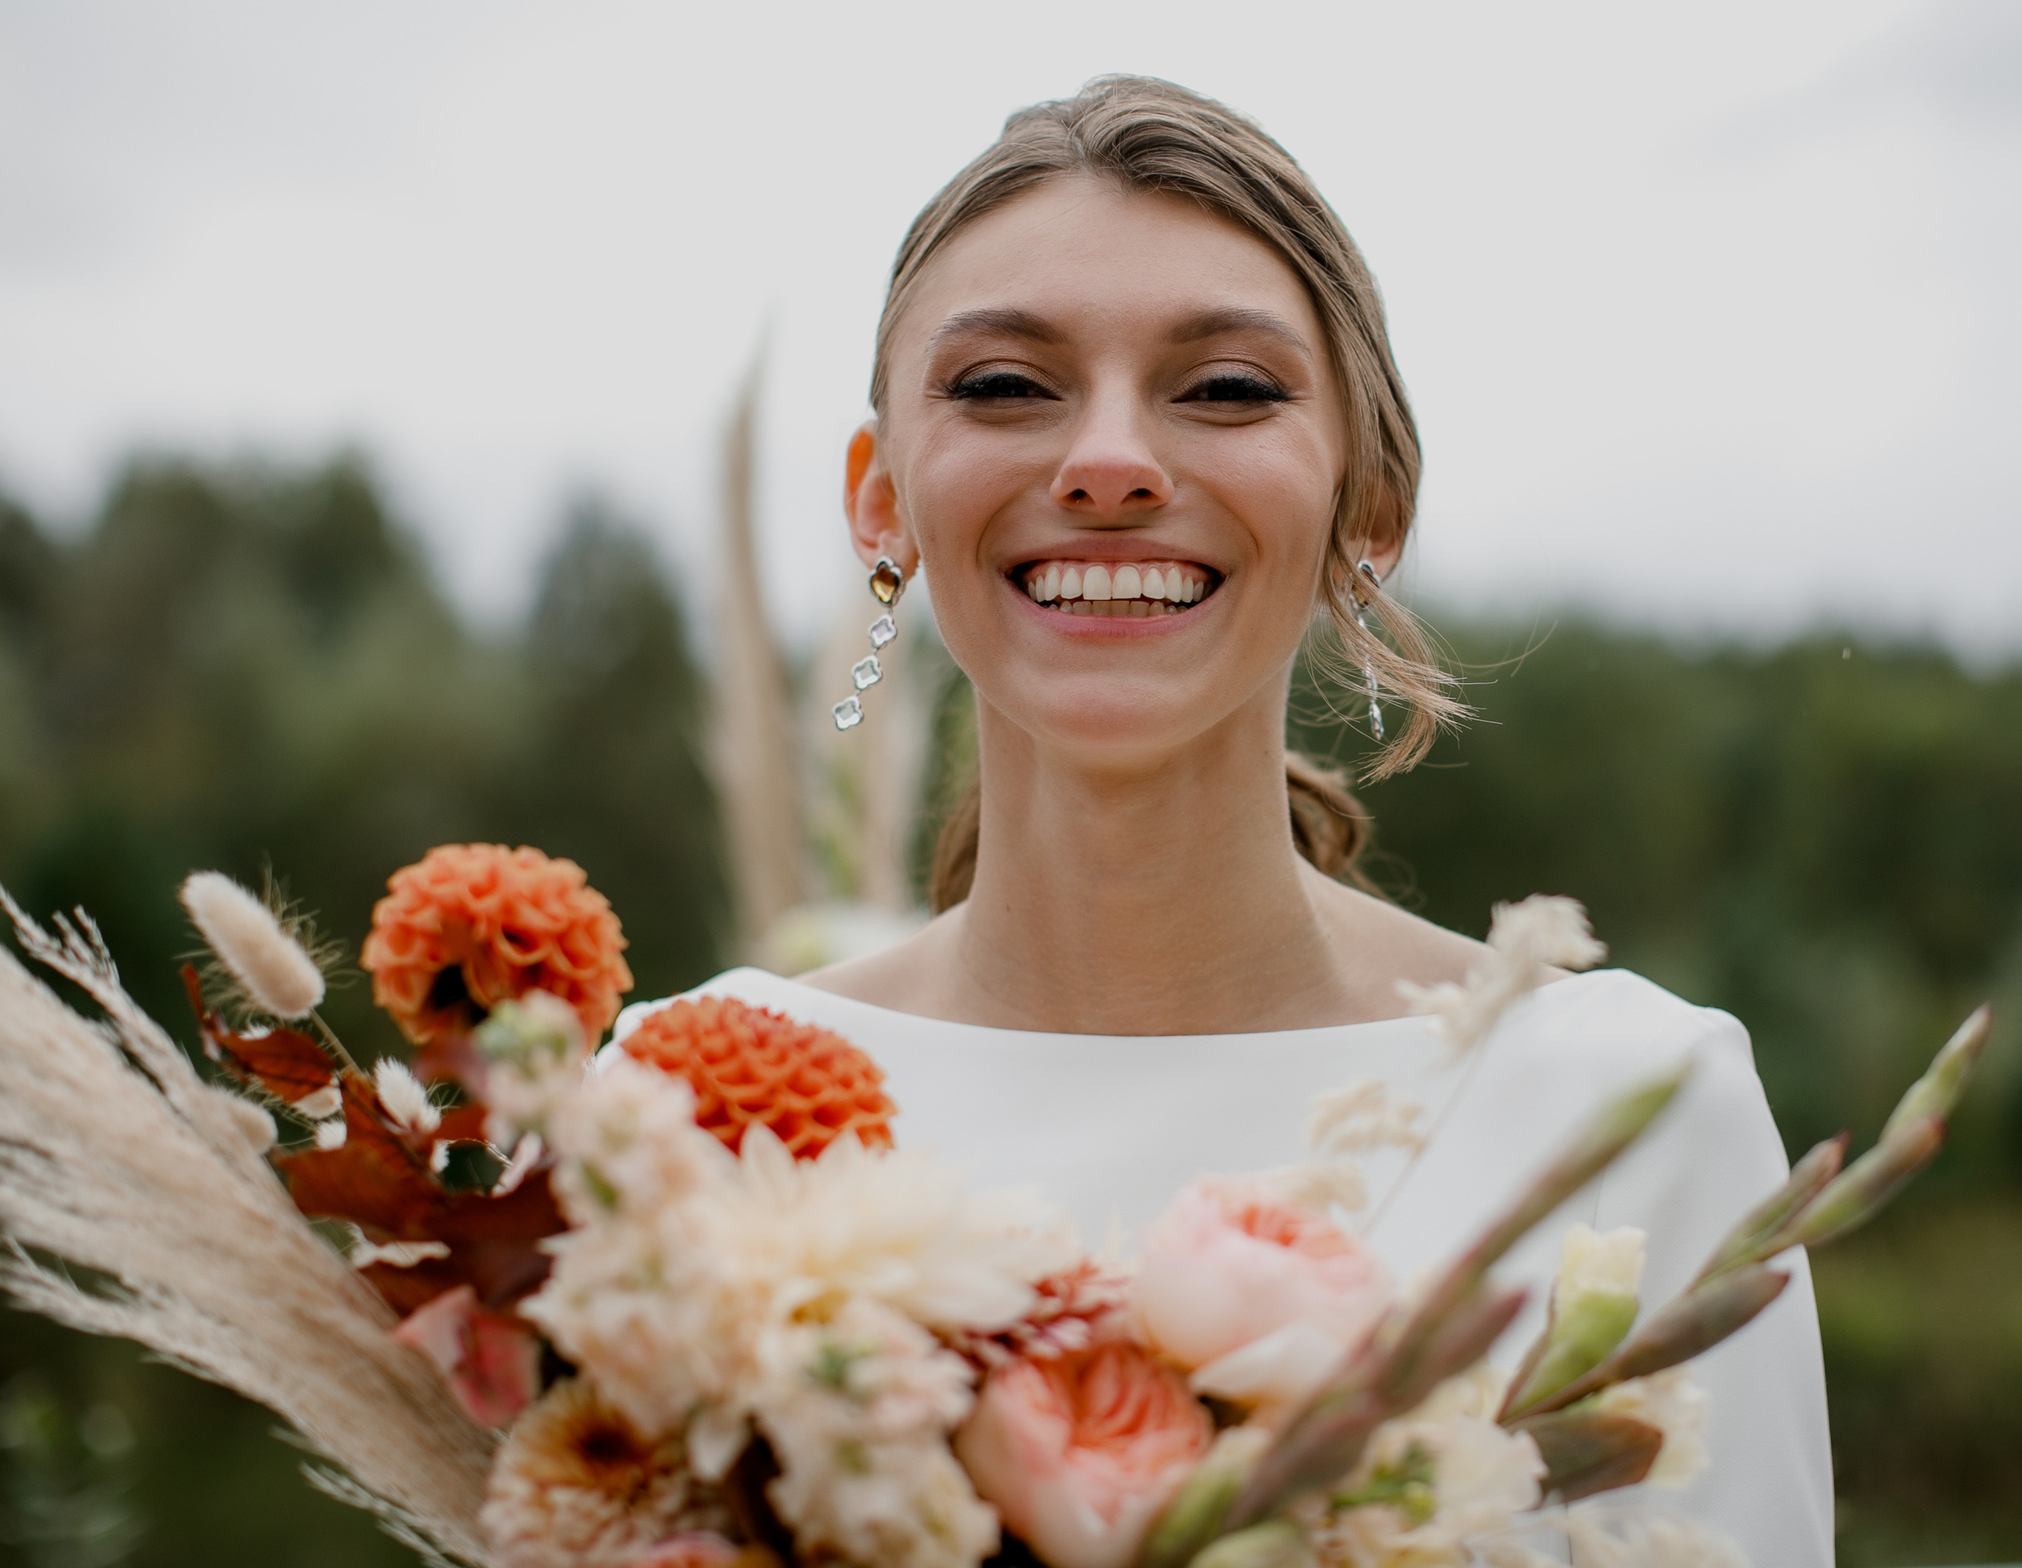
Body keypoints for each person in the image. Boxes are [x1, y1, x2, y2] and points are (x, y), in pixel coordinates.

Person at [620, 77, 1832, 1565]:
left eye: (1227, 389)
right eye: (1006, 386)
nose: (1111, 461)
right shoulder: (673, 1113)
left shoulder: (1630, 1113)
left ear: (1367, 504)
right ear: (879, 503)